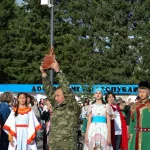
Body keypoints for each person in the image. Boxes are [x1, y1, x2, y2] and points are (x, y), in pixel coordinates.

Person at [40, 59, 81, 150]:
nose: (55, 98)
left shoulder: (73, 107)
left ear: (65, 96)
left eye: (58, 95)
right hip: (54, 146)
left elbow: (67, 90)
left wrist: (58, 72)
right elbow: (49, 90)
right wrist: (43, 73)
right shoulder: (56, 106)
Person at [129, 81, 150, 150]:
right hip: (136, 135)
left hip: (147, 135)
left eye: (144, 92)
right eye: (140, 92)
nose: (142, 94)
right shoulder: (134, 106)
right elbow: (132, 121)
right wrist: (131, 133)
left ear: (148, 93)